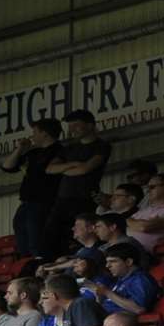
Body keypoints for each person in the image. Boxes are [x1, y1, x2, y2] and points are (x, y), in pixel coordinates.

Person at [44, 109, 111, 258]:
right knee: (52, 232)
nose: (72, 129)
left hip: (84, 197)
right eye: (70, 126)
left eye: (77, 125)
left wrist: (64, 169)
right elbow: (49, 169)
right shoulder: (69, 149)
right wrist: (73, 164)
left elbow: (85, 169)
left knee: (81, 234)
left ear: (90, 125)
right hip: (63, 198)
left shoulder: (101, 146)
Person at [4, 118, 65, 257]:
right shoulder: (33, 153)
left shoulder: (60, 151)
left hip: (44, 201)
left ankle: (39, 263)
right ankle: (27, 261)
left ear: (44, 133)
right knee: (21, 233)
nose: (32, 136)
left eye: (35, 132)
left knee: (36, 238)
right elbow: (7, 166)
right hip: (26, 201)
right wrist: (20, 149)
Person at [83, 243, 161, 315]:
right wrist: (100, 297)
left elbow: (139, 309)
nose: (107, 266)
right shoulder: (121, 279)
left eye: (113, 261)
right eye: (107, 262)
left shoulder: (140, 279)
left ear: (128, 262)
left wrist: (107, 292)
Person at [127, 172, 164, 252]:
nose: (148, 191)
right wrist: (135, 222)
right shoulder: (145, 210)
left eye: (152, 187)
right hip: (126, 249)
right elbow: (126, 221)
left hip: (143, 253)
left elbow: (144, 227)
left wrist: (134, 222)